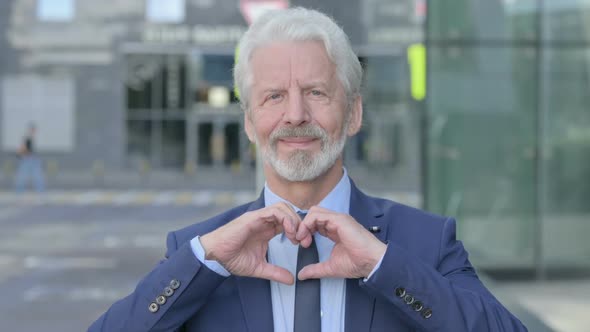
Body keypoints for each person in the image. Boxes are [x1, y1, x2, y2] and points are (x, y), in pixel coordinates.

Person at [89, 7, 527, 332]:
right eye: (274, 96)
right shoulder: (200, 252)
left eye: (316, 92)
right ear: (249, 121)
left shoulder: (425, 242)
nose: (295, 115)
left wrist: (382, 265)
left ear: (353, 114)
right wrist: (204, 262)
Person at [14, 123, 45, 192]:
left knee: (37, 177)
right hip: (28, 159)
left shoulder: (32, 138)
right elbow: (23, 148)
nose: (34, 131)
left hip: (33, 159)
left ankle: (41, 191)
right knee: (22, 177)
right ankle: (18, 191)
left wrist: (20, 153)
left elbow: (23, 149)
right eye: (33, 130)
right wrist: (19, 154)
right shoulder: (27, 138)